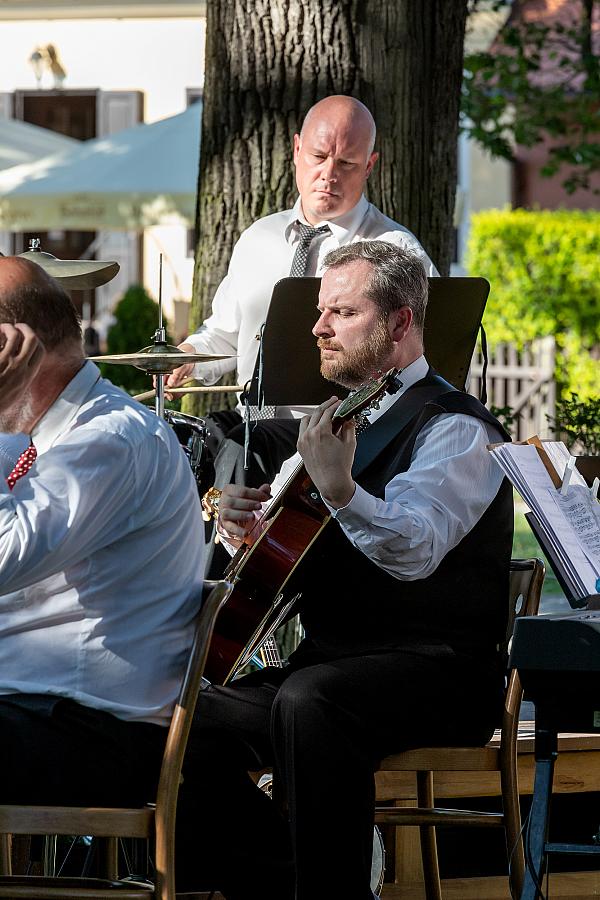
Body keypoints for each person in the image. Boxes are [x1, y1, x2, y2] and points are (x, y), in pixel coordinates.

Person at [174, 241, 513, 900]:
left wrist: (341, 492)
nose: (318, 328)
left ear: (399, 323)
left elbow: (414, 550)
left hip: (439, 670)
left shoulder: (459, 430)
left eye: (341, 311)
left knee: (312, 702)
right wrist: (237, 525)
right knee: (186, 720)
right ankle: (289, 883)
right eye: (321, 310)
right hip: (335, 663)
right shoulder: (339, 421)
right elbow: (271, 552)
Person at [0, 257, 205, 809]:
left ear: (9, 348)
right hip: (36, 709)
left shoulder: (110, 440)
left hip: (90, 728)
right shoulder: (43, 436)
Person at [165, 94, 439, 487]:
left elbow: (426, 359)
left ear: (370, 166)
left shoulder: (397, 251)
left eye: (346, 163)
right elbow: (226, 334)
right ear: (296, 150)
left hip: (345, 443)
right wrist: (188, 358)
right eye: (318, 156)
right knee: (201, 450)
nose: (329, 174)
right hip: (252, 431)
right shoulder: (258, 238)